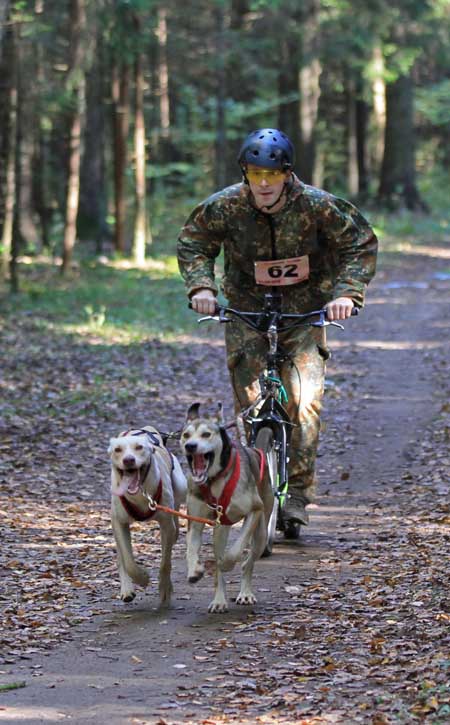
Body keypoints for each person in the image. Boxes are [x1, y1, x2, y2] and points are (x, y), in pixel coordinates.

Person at [177, 128, 377, 529]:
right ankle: (250, 487)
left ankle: (298, 495)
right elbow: (194, 243)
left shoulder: (318, 206)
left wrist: (346, 294)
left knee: (304, 401)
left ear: (287, 173)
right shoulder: (225, 206)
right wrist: (202, 286)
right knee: (249, 404)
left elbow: (359, 243)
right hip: (246, 309)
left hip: (304, 311)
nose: (264, 183)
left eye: (272, 175)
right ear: (245, 174)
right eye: (255, 174)